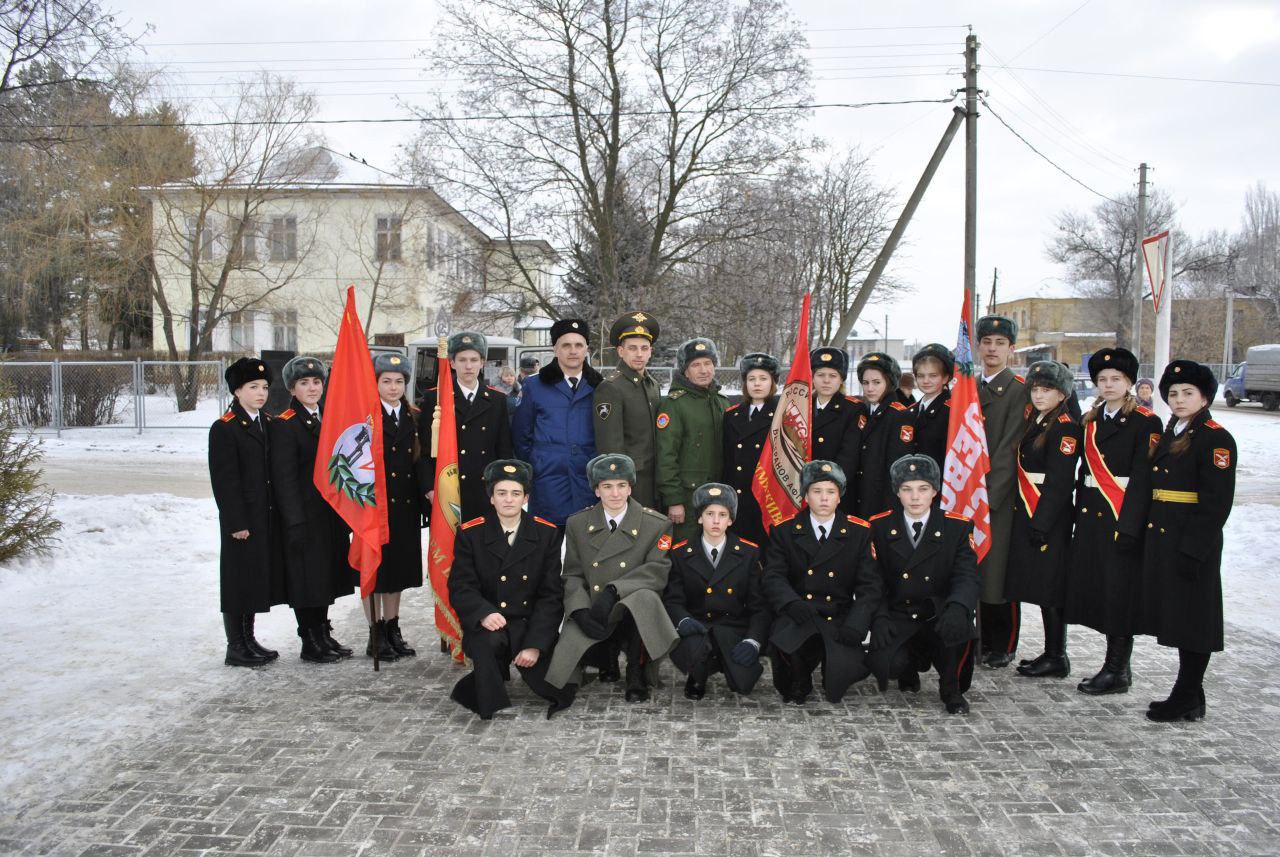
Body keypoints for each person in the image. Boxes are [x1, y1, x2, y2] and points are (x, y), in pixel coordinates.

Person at [1119, 360, 1236, 723]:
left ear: (1204, 397)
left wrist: (1193, 549)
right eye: (1173, 393)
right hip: (1164, 536)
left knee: (1195, 620)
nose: (1179, 399)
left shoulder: (1215, 438)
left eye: (1188, 393)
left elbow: (1216, 504)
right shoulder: (1174, 430)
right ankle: (1190, 696)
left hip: (1190, 539)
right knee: (1181, 617)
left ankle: (1186, 694)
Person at [1065, 348, 1161, 695]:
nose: (1108, 385)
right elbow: (1082, 474)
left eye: (1115, 379)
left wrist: (1130, 525)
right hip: (1092, 514)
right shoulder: (1090, 420)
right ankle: (1115, 666)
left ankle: (1117, 668)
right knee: (1102, 591)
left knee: (1120, 594)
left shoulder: (1145, 423)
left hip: (1121, 515)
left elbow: (1142, 478)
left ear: (1130, 383)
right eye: (1102, 380)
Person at [544, 453, 679, 702]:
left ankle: (636, 672)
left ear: (630, 488)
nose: (615, 493)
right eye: (607, 486)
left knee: (645, 599)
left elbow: (657, 571)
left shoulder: (655, 524)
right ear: (596, 491)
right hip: (596, 609)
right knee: (559, 685)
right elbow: (572, 573)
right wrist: (579, 609)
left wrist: (614, 590)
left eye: (621, 486)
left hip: (631, 609)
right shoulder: (577, 523)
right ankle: (605, 660)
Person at [448, 460, 575, 720]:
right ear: (491, 497)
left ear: (526, 497)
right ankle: (488, 694)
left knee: (558, 691)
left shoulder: (546, 533)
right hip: (490, 622)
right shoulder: (471, 534)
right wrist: (483, 613)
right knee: (487, 641)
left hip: (529, 625)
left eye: (516, 493)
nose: (509, 500)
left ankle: (499, 670)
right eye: (501, 493)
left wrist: (535, 645)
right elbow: (461, 585)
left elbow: (551, 595)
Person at [867, 454, 980, 714]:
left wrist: (958, 607)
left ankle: (950, 687)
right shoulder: (879, 526)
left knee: (957, 630)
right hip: (900, 613)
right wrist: (879, 617)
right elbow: (873, 580)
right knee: (890, 664)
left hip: (938, 611)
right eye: (907, 490)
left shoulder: (957, 527)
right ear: (897, 493)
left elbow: (967, 575)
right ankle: (909, 666)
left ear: (935, 491)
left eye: (923, 489)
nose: (915, 497)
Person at [761, 460, 881, 704]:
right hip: (800, 613)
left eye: (831, 492)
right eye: (816, 491)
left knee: (838, 682)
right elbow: (773, 575)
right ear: (806, 495)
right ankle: (800, 675)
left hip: (838, 616)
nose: (824, 498)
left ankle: (829, 663)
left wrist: (857, 624)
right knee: (789, 680)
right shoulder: (784, 531)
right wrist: (790, 603)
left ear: (840, 497)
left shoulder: (859, 532)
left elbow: (870, 586)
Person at [269, 356, 357, 664]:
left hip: (328, 515)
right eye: (304, 383)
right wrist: (294, 521)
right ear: (292, 389)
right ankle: (309, 638)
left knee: (325, 577)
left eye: (317, 382)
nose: (312, 388)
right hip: (303, 516)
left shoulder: (327, 421)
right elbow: (285, 479)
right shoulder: (285, 425)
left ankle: (323, 631)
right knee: (305, 579)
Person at [1004, 360, 1081, 679]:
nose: (1038, 395)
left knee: (1050, 588)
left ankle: (1056, 655)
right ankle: (1051, 652)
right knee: (1038, 585)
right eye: (1035, 389)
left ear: (1061, 393)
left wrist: (1042, 522)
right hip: (1029, 509)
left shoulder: (1064, 426)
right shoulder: (1039, 420)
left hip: (1047, 515)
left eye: (1046, 389)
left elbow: (1061, 482)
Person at [209, 357, 285, 666]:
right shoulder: (225, 428)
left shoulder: (266, 422)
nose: (261, 393)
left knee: (254, 579)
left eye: (265, 387)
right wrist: (236, 522)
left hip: (263, 517)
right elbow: (225, 482)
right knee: (238, 580)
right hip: (241, 520)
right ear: (237, 391)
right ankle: (235, 645)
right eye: (253, 387)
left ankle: (249, 638)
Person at [663, 482, 771, 700]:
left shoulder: (748, 553)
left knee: (742, 684)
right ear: (699, 518)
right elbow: (673, 600)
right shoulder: (681, 553)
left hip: (732, 626)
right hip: (697, 626)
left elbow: (759, 606)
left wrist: (753, 641)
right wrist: (683, 621)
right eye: (709, 513)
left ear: (730, 520)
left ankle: (722, 660)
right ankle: (697, 675)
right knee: (695, 647)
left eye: (722, 514)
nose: (715, 520)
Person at [974, 314, 1030, 669]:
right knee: (974, 569)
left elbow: (1011, 448)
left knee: (997, 573)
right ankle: (978, 638)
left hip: (998, 497)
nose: (992, 349)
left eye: (1000, 343)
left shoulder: (1018, 390)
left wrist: (988, 498)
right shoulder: (969, 388)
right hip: (967, 495)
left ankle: (1002, 643)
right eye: (986, 342)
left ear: (1012, 349)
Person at [368, 352, 430, 661]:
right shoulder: (365, 416)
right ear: (376, 383)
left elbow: (419, 464)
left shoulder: (413, 415)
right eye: (386, 381)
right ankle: (375, 632)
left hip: (404, 506)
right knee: (375, 573)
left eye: (399, 382)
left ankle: (393, 627)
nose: (393, 388)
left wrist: (425, 503)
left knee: (398, 573)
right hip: (374, 507)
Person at [513, 319, 602, 526]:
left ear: (586, 349)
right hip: (547, 483)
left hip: (587, 482)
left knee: (585, 553)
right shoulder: (534, 386)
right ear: (555, 349)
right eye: (566, 345)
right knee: (546, 551)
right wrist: (539, 463)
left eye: (578, 345)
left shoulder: (600, 386)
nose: (573, 351)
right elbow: (521, 435)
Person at [419, 331, 514, 523]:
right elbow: (425, 451)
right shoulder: (436, 398)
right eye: (462, 360)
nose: (468, 366)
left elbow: (503, 449)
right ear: (452, 363)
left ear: (482, 362)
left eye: (474, 359)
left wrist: (503, 488)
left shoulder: (497, 400)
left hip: (485, 491)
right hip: (450, 490)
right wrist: (430, 489)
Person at [655, 338, 729, 543]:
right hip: (687, 498)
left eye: (708, 364)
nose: (703, 370)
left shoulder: (722, 403)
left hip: (717, 497)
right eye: (696, 365)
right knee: (684, 551)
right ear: (685, 371)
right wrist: (674, 500)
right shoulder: (674, 404)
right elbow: (665, 455)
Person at [593, 311, 662, 508]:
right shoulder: (611, 387)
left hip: (655, 480)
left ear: (651, 351)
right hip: (630, 481)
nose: (639, 354)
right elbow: (610, 445)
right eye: (632, 348)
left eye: (644, 348)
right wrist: (619, 485)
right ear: (620, 351)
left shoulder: (652, 385)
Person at [722, 352, 779, 547]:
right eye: (751, 379)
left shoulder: (783, 414)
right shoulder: (732, 414)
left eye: (763, 379)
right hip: (738, 497)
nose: (757, 384)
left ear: (773, 382)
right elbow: (727, 459)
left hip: (766, 498)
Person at [853, 352, 914, 518]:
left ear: (889, 383)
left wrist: (889, 514)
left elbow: (897, 471)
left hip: (881, 504)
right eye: (865, 383)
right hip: (860, 499)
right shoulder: (865, 410)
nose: (869, 388)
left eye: (876, 382)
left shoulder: (899, 415)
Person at [809, 346, 863, 514]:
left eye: (833, 376)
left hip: (836, 489)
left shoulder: (853, 409)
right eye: (820, 375)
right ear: (812, 378)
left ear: (841, 379)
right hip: (804, 488)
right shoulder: (801, 406)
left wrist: (828, 486)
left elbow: (849, 454)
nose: (826, 381)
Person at [908, 344, 955, 473]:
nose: (926, 381)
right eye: (921, 376)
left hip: (940, 484)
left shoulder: (952, 412)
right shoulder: (911, 411)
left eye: (933, 375)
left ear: (946, 378)